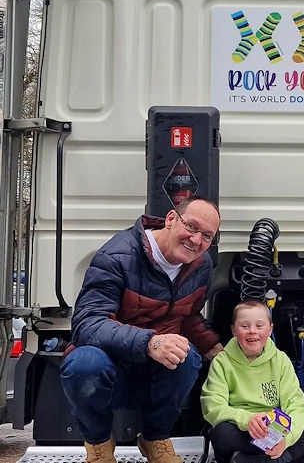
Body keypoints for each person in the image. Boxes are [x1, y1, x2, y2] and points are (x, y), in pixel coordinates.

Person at [60, 195, 225, 463]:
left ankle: (155, 440)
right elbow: (87, 323)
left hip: (153, 369)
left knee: (188, 356)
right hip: (110, 363)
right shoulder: (117, 256)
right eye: (192, 227)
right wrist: (151, 342)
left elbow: (189, 315)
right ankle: (99, 447)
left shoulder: (201, 265)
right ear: (171, 219)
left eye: (207, 236)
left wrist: (218, 352)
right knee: (83, 364)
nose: (197, 241)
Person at [201, 299, 304, 463]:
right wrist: (247, 420)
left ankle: (279, 457)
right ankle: (295, 454)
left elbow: (296, 405)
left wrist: (287, 440)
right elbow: (213, 406)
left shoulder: (280, 360)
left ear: (270, 329)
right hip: (244, 431)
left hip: (277, 433)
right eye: (244, 326)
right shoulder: (222, 362)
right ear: (233, 330)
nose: (252, 331)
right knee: (221, 432)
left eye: (259, 326)